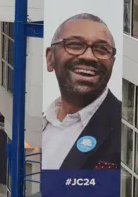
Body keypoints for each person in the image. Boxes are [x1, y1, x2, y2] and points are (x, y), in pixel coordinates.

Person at [42, 13, 121, 170]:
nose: (89, 56)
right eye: (75, 45)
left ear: (112, 63)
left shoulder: (126, 128)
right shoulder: (38, 122)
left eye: (102, 49)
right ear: (50, 58)